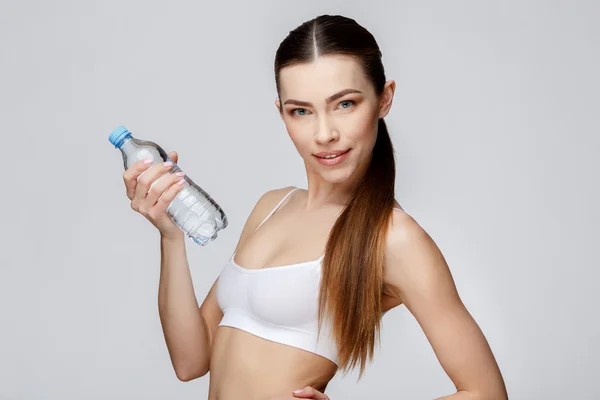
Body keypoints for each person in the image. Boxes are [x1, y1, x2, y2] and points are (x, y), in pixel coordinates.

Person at [121, 14, 508, 400]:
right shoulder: (272, 206)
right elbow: (191, 361)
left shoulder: (393, 237)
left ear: (384, 98)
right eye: (301, 111)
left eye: (345, 104)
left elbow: (486, 393)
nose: (324, 134)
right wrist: (171, 235)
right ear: (281, 113)